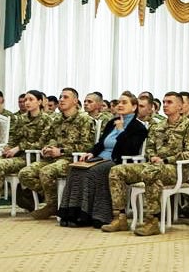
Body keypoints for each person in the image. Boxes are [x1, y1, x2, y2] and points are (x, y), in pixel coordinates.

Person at [106, 92, 189, 235]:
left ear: (180, 106)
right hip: (154, 165)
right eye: (164, 102)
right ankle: (120, 217)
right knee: (117, 170)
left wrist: (166, 160)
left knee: (151, 173)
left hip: (177, 169)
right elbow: (149, 148)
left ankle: (152, 220)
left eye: (169, 102)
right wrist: (153, 156)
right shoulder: (158, 126)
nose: (165, 105)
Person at [56, 93, 147, 227]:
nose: (120, 105)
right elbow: (100, 143)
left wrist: (121, 131)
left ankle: (94, 215)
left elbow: (129, 150)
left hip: (118, 161)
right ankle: (72, 213)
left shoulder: (138, 127)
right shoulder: (112, 122)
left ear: (134, 107)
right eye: (118, 102)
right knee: (75, 169)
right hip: (100, 158)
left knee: (93, 172)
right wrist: (90, 153)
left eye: (124, 102)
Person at [18, 88, 95, 219]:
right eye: (60, 97)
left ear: (75, 101)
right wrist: (48, 147)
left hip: (71, 159)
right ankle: (55, 200)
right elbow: (47, 138)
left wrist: (61, 151)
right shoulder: (57, 119)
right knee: (25, 174)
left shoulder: (84, 119)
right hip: (53, 157)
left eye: (65, 97)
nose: (61, 100)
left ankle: (52, 205)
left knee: (46, 172)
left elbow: (87, 146)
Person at [0, 91, 49, 218]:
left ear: (40, 102)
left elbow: (42, 143)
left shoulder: (47, 120)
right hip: (16, 155)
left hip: (31, 157)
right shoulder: (21, 119)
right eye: (25, 100)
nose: (27, 102)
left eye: (31, 99)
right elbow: (14, 137)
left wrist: (19, 147)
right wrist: (8, 147)